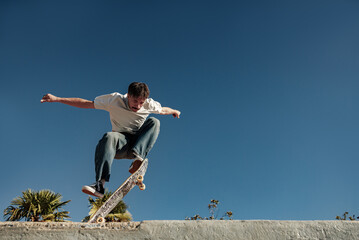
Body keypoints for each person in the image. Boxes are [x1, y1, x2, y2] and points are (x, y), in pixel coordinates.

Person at [41, 82, 181, 198]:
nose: (138, 106)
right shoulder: (114, 100)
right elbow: (86, 103)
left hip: (137, 143)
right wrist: (57, 99)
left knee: (154, 122)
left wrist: (175, 111)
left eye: (141, 103)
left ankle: (138, 159)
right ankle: (100, 185)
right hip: (120, 145)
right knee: (109, 136)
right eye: (135, 101)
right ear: (128, 95)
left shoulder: (149, 104)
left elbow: (163, 110)